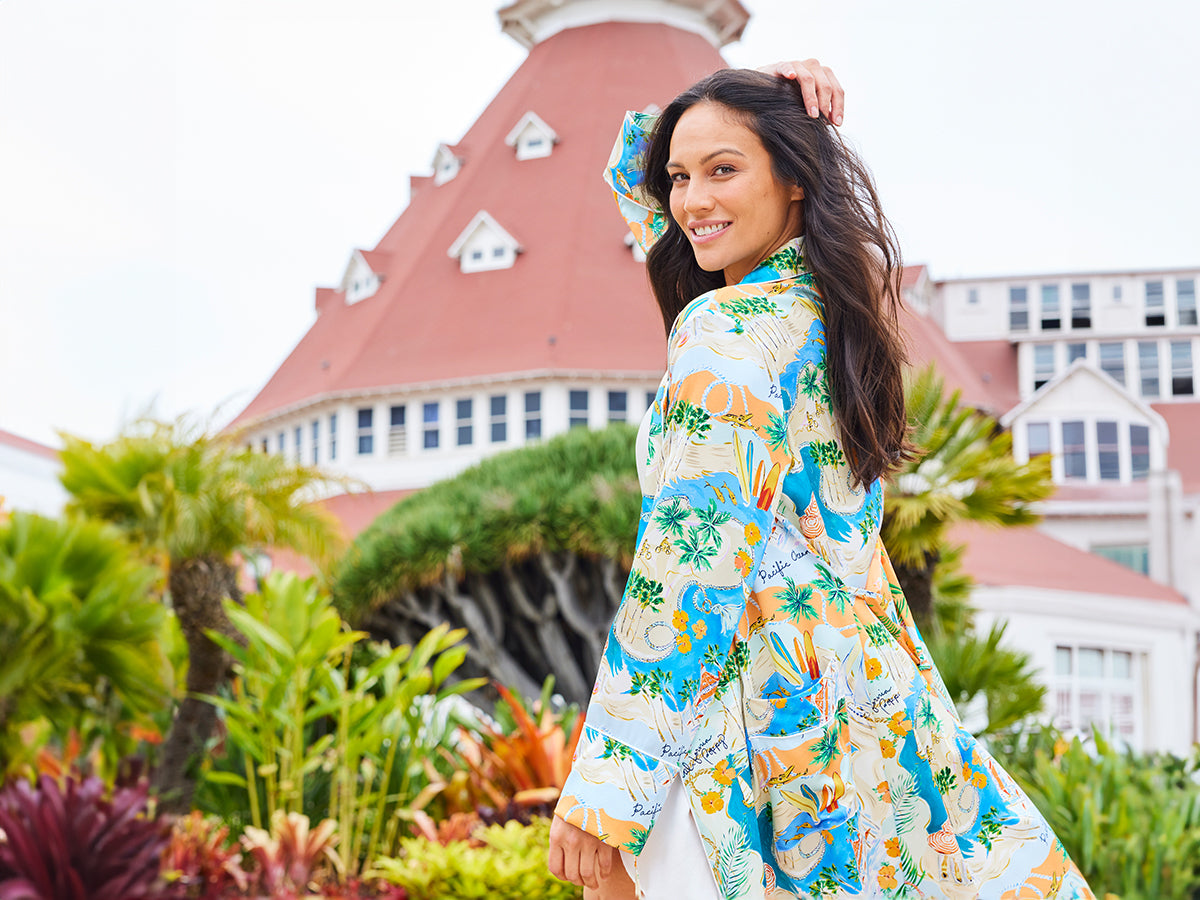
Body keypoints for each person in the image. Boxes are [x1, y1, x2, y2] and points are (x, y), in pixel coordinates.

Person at [548, 60, 1096, 900]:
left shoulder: (727, 331)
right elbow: (645, 175)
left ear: (794, 180)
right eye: (682, 177)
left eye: (724, 170)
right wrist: (749, 96)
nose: (691, 201)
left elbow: (691, 562)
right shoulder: (833, 310)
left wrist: (608, 785)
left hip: (747, 710)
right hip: (866, 694)